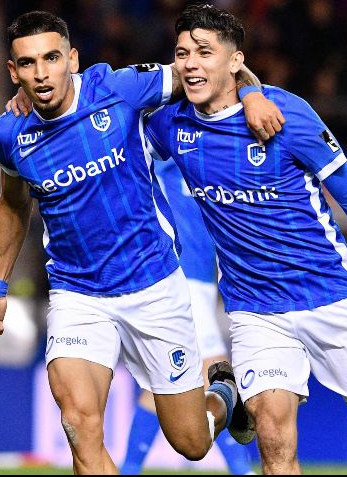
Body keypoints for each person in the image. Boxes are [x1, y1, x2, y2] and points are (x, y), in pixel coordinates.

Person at [143, 4, 347, 474]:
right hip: (254, 309)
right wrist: (30, 100)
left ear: (235, 60)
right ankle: (238, 397)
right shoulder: (170, 125)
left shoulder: (288, 116)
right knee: (273, 435)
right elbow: (103, 106)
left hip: (326, 294)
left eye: (204, 52)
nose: (190, 63)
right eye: (182, 53)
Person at [0, 11, 284, 475]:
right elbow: (13, 203)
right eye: (29, 63)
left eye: (52, 58)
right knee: (80, 424)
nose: (41, 73)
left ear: (72, 60)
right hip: (78, 296)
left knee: (192, 443)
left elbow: (214, 70)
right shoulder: (9, 135)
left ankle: (221, 393)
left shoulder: (118, 90)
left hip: (154, 286)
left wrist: (254, 92)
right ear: (12, 71)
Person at [120, 157, 252, 475]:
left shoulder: (207, 154)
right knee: (216, 372)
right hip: (178, 274)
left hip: (200, 278)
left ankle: (128, 469)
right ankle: (242, 469)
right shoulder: (160, 149)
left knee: (161, 383)